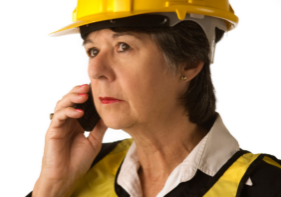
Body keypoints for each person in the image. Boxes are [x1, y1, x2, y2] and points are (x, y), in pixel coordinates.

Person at [26, 0, 281, 197]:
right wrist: (52, 186)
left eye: (123, 46)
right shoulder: (82, 169)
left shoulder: (266, 187)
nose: (95, 70)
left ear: (189, 62)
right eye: (93, 51)